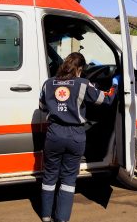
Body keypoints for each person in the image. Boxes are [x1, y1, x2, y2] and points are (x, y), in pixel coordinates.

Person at [38, 52, 119, 222]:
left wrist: (59, 107)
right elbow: (107, 99)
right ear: (80, 69)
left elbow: (42, 107)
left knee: (50, 176)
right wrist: (116, 84)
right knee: (68, 179)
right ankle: (61, 219)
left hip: (54, 134)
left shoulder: (48, 84)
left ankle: (46, 217)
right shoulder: (83, 84)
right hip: (75, 136)